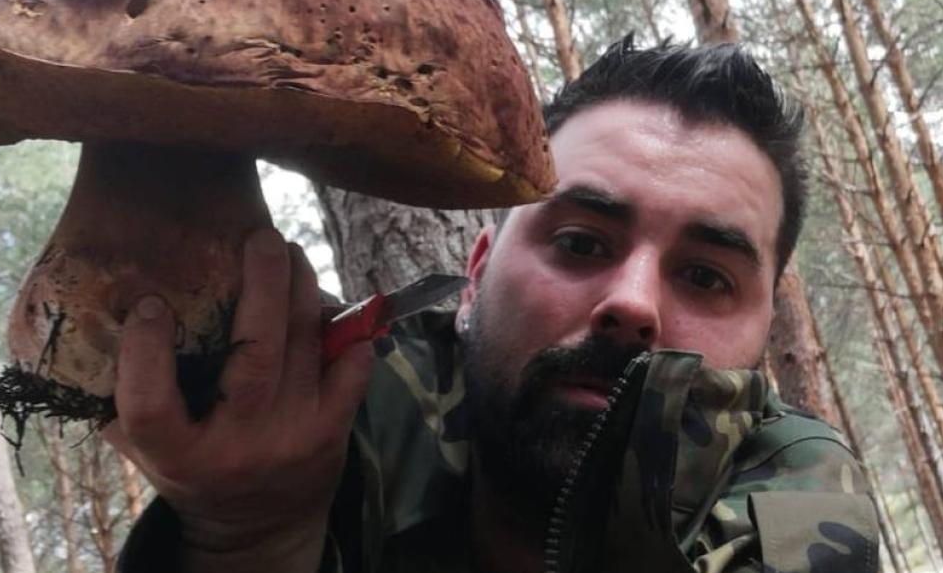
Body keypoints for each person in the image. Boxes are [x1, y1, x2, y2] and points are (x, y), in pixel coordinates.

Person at [108, 38, 881, 573]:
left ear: (763, 340)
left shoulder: (797, 493)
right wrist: (244, 537)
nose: (632, 305)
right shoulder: (333, 413)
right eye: (581, 243)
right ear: (475, 274)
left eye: (707, 278)